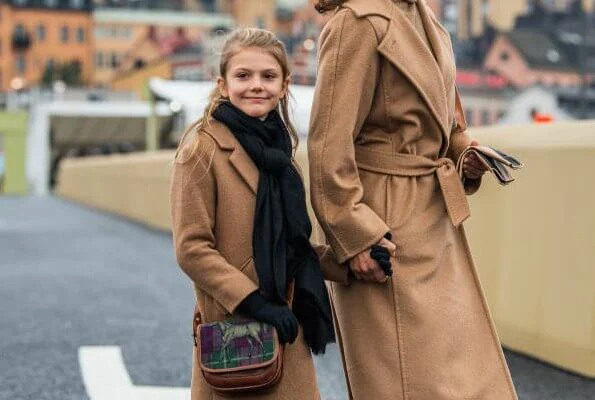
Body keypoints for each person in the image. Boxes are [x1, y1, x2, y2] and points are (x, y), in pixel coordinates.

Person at [308, 1, 518, 399]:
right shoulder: (357, 21)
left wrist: (465, 152)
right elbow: (327, 146)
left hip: (435, 219)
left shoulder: (427, 20)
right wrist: (355, 236)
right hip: (385, 228)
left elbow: (445, 123)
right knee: (409, 383)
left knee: (463, 381)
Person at [169, 28, 352, 400]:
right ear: (222, 84)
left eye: (268, 76)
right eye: (243, 76)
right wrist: (256, 303)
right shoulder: (201, 152)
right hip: (235, 333)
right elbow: (192, 249)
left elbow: (295, 248)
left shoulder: (281, 158)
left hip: (287, 330)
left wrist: (353, 260)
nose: (256, 86)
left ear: (285, 86)